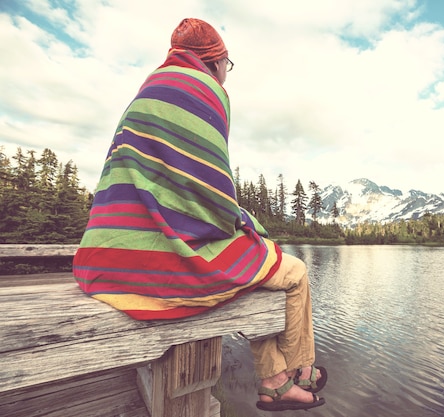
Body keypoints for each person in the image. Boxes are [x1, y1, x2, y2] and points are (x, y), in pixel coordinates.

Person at [72, 17, 327, 412]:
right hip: (162, 265)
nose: (227, 75)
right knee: (290, 271)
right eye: (228, 65)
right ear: (215, 61)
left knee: (258, 266)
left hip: (105, 258)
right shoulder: (206, 91)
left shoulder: (147, 91)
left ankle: (282, 377)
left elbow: (168, 183)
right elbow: (208, 191)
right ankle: (293, 373)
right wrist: (243, 222)